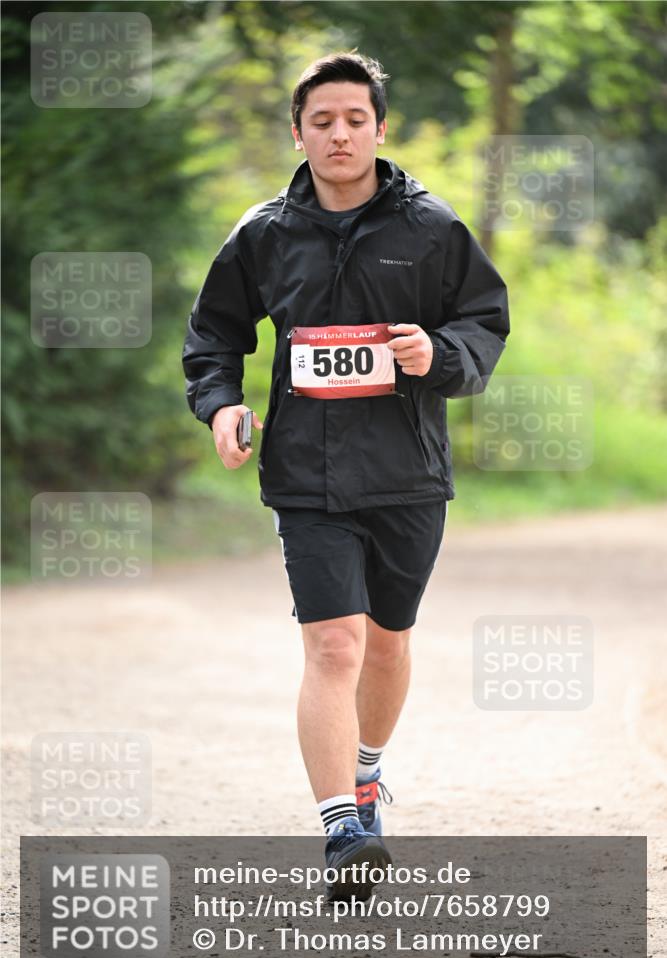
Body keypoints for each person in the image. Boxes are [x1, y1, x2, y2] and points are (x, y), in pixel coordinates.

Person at [183, 52, 510, 901]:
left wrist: (438, 352)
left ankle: (365, 777)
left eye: (353, 120)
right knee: (335, 643)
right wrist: (221, 405)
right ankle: (341, 828)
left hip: (407, 472)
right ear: (297, 131)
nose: (338, 134)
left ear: (378, 128)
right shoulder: (262, 234)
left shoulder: (432, 229)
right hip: (305, 477)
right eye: (320, 121)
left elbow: (483, 323)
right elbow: (214, 336)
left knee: (389, 643)